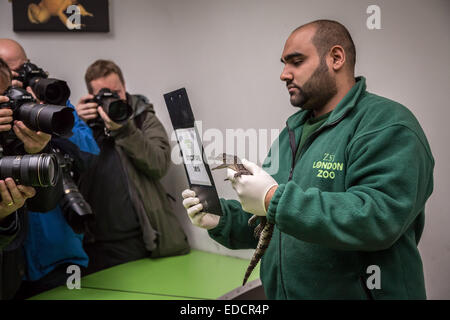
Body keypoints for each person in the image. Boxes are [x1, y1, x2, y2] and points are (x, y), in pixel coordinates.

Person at [182, 20, 434, 299]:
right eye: (283, 63)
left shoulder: (386, 125)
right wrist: (220, 219)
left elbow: (377, 218)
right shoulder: (293, 130)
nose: (283, 74)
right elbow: (273, 220)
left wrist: (271, 198)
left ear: (336, 58)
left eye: (296, 61)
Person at [0, 39, 100, 299]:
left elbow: (90, 155)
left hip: (57, 254)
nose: (16, 81)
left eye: (22, 70)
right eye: (9, 75)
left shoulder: (49, 102)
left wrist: (44, 119)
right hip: (9, 262)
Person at [76, 59, 189, 274]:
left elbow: (159, 164)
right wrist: (76, 123)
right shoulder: (82, 125)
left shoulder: (142, 117)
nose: (112, 99)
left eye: (116, 92)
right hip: (93, 243)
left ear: (125, 86)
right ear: (91, 97)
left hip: (140, 238)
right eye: (104, 95)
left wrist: (124, 130)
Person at [0, 57, 63, 299]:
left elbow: (45, 203)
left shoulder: (15, 132)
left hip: (11, 279)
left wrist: (39, 151)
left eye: (5, 94)